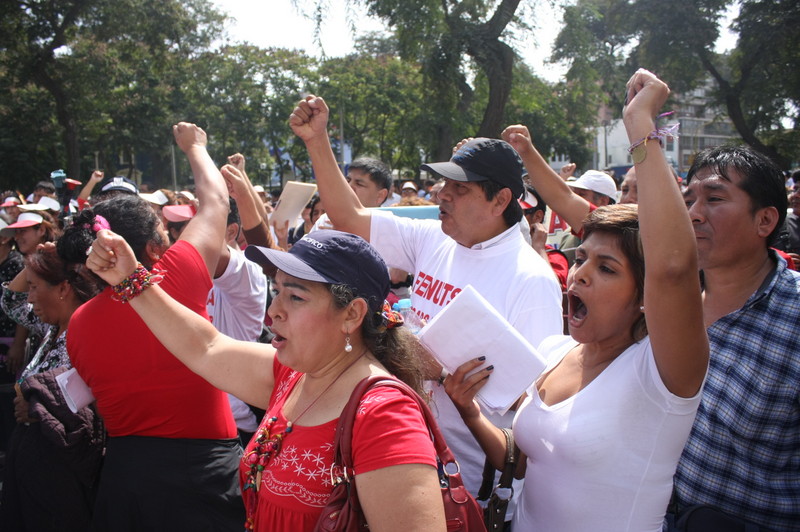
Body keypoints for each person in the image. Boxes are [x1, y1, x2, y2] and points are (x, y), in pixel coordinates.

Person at [446, 69, 708, 530]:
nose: (581, 274)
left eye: (606, 269)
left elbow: (673, 269)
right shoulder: (554, 351)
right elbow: (523, 463)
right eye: (582, 258)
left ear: (647, 297)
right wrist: (468, 410)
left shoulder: (664, 375)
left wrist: (640, 127)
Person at [289, 94, 563, 524]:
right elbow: (349, 217)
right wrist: (317, 140)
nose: (443, 195)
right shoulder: (435, 238)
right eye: (443, 184)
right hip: (399, 445)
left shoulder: (531, 280)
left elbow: (532, 410)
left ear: (500, 199)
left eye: (460, 188)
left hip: (464, 481)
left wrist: (445, 375)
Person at [84, 228, 445, 532]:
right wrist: (130, 278)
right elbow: (205, 348)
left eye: (296, 297)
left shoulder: (385, 417)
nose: (274, 311)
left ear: (351, 314)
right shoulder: (293, 375)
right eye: (277, 291)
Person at [56, 122, 245, 531]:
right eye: (163, 233)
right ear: (151, 250)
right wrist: (194, 147)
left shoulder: (78, 324)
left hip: (126, 480)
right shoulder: (175, 276)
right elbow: (215, 200)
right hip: (204, 474)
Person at [669, 144, 800, 530]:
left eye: (714, 199)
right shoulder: (667, 298)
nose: (693, 213)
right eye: (688, 199)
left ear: (765, 221)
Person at [0, 243, 104, 532]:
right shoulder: (51, 326)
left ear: (63, 289)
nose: (29, 297)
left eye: (34, 287)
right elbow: (10, 300)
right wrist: (42, 258)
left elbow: (91, 403)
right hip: (33, 464)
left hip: (60, 475)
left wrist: (38, 406)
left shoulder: (88, 335)